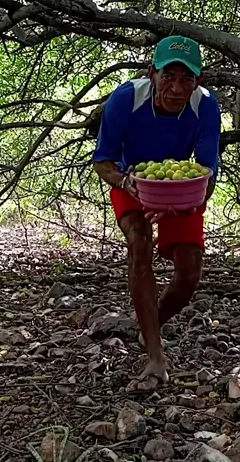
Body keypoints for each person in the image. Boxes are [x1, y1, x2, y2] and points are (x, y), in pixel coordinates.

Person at [93, 35, 221, 383]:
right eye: (168, 77)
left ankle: (149, 324)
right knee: (139, 242)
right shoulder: (125, 99)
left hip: (181, 188)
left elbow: (207, 172)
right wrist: (127, 182)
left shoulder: (206, 106)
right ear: (152, 73)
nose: (176, 89)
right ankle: (155, 354)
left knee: (189, 272)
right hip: (132, 180)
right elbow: (103, 162)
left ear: (198, 80)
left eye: (186, 79)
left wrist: (181, 202)